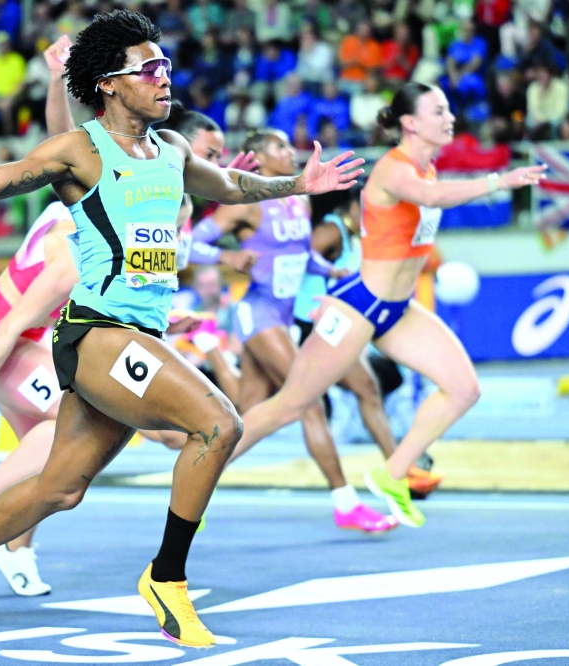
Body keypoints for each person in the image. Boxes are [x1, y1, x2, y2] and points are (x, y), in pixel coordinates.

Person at [0, 9, 362, 647]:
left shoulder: (172, 150)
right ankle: (167, 577)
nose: (164, 78)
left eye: (166, 66)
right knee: (220, 423)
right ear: (108, 83)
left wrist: (297, 183)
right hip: (93, 332)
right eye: (149, 68)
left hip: (139, 338)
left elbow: (232, 185)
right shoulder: (80, 151)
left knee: (58, 489)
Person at [0, 36, 253, 626]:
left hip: (88, 331)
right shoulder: (82, 217)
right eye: (210, 151)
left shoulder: (160, 198)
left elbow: (178, 237)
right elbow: (55, 151)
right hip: (7, 334)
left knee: (61, 484)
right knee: (189, 424)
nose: (209, 165)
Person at [224, 83, 545, 529]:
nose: (450, 117)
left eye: (449, 109)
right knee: (290, 405)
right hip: (355, 307)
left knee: (464, 389)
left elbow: (425, 208)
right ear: (411, 123)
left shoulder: (427, 169)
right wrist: (498, 181)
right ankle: (203, 472)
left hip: (397, 311)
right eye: (439, 110)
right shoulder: (394, 170)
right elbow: (431, 199)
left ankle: (393, 473)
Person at [188, 128, 394, 533]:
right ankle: (345, 504)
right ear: (260, 159)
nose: (291, 152)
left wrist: (328, 268)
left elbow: (301, 255)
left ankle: (192, 486)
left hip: (279, 319)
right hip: (258, 313)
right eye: (281, 147)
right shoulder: (244, 201)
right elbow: (190, 244)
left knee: (244, 417)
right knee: (308, 402)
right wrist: (227, 254)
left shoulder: (298, 198)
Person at [297, 191, 443, 497]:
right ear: (351, 207)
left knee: (367, 390)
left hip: (330, 327)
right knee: (279, 409)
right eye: (367, 209)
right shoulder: (332, 229)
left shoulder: (350, 238)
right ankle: (397, 473)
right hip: (309, 325)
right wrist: (330, 271)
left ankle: (399, 472)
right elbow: (298, 255)